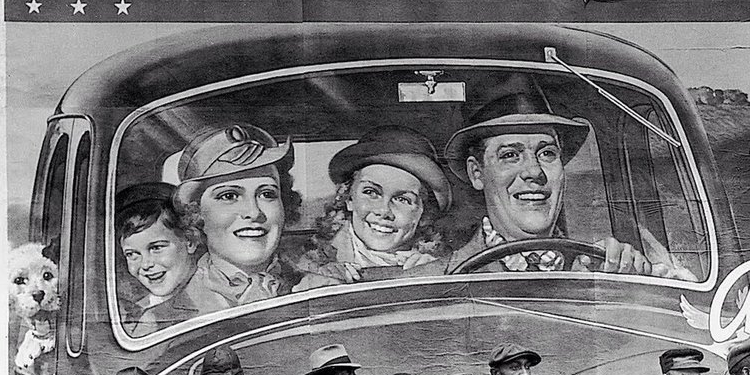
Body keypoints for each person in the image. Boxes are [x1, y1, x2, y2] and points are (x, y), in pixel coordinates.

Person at [442, 93, 696, 280]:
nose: (534, 172)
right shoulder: (434, 280)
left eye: (547, 153)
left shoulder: (598, 270)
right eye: (510, 155)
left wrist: (631, 280)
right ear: (477, 173)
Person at [296, 127, 452, 288]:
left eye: (402, 199)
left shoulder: (444, 265)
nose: (384, 211)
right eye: (371, 192)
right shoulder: (311, 266)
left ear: (423, 214)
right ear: (349, 198)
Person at [172, 124, 303, 311]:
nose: (254, 212)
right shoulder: (160, 318)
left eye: (267, 194)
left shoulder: (324, 289)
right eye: (229, 196)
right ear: (196, 214)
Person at [114, 183, 200, 335]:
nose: (146, 264)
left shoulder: (211, 298)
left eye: (156, 248)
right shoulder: (135, 310)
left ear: (190, 240)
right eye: (132, 254)